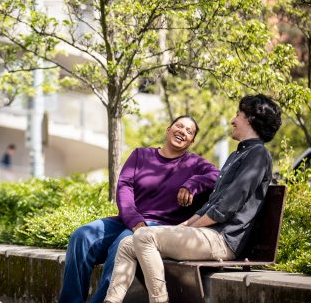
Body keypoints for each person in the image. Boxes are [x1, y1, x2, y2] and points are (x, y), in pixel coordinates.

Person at [104, 94, 282, 303]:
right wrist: (185, 225)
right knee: (127, 244)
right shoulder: (237, 155)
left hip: (223, 240)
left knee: (144, 237)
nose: (233, 120)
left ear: (250, 119)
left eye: (238, 115)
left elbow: (226, 206)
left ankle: (159, 300)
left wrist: (189, 228)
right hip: (206, 235)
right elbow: (213, 202)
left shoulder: (257, 155)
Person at [59, 116, 220, 303]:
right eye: (179, 126)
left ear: (191, 141)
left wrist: (193, 183)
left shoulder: (195, 164)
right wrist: (134, 220)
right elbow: (124, 186)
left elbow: (217, 175)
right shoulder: (140, 155)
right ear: (168, 129)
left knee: (121, 244)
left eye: (189, 131)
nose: (183, 131)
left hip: (160, 228)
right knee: (82, 236)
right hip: (129, 219)